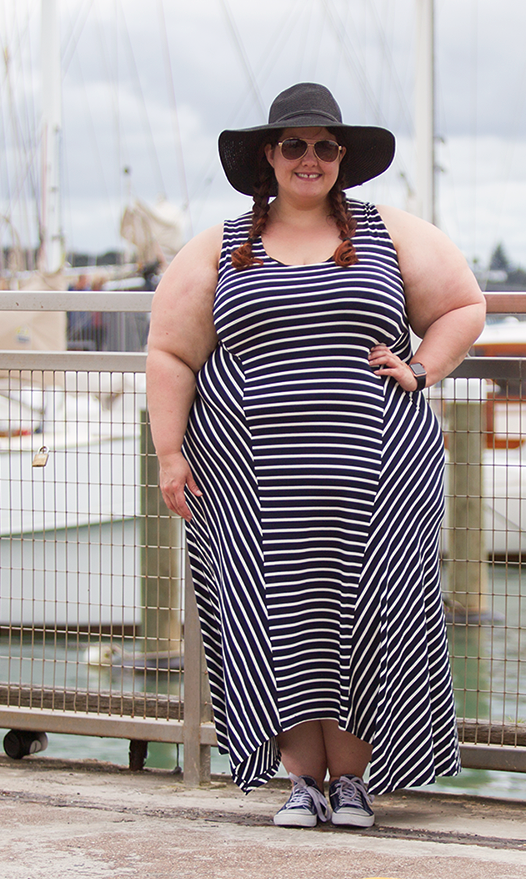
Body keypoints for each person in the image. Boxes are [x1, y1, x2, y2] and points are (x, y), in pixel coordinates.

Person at [145, 82, 486, 829]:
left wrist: (423, 367)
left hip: (381, 475)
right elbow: (171, 351)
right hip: (248, 480)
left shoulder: (389, 232)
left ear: (342, 158)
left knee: (371, 616)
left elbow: (465, 304)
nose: (309, 158)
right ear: (268, 154)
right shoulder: (219, 245)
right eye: (293, 145)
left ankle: (355, 782)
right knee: (275, 615)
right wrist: (171, 452)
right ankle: (301, 781)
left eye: (324, 146)